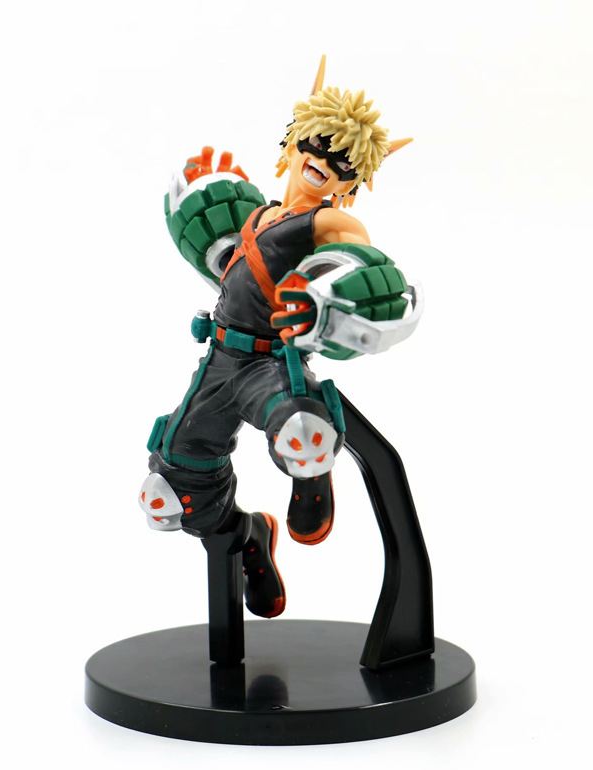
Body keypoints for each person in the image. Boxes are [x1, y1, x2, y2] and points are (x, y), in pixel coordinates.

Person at [139, 58, 419, 620]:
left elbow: (357, 254)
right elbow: (225, 262)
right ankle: (247, 538)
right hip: (219, 361)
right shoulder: (258, 216)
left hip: (272, 364)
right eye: (316, 145)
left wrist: (337, 286)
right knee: (169, 497)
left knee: (303, 434)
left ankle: (312, 477)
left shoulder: (329, 224)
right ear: (292, 142)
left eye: (342, 162)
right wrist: (203, 199)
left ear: (351, 181)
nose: (323, 162)